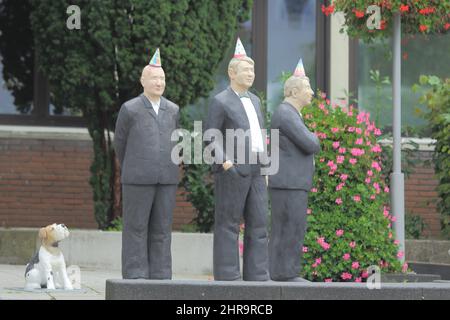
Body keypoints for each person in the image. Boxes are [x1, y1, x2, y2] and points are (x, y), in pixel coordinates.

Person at [205, 38, 269, 281]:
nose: (251, 74)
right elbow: (211, 136)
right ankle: (228, 275)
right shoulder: (220, 101)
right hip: (232, 169)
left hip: (256, 170)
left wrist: (265, 168)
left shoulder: (256, 101)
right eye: (246, 69)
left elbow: (260, 135)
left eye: (252, 70)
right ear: (232, 72)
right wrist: (225, 162)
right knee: (228, 224)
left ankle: (257, 274)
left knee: (260, 222)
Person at [114, 48, 180, 280]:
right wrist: (134, 165)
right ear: (143, 81)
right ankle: (135, 274)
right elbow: (120, 143)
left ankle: (162, 274)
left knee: (162, 229)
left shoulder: (173, 110)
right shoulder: (130, 109)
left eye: (162, 78)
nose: (159, 82)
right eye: (154, 78)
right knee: (136, 227)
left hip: (167, 178)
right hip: (137, 178)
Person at [268, 59, 320, 282]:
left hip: (292, 182)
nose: (312, 93)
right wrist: (315, 137)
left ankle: (284, 272)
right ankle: (284, 274)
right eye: (308, 88)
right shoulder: (286, 114)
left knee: (292, 228)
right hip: (289, 182)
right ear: (295, 91)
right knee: (289, 229)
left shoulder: (290, 114)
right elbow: (311, 143)